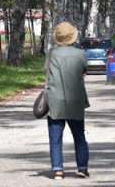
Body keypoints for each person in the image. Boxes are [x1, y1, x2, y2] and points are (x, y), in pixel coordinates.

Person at [46, 22, 90, 180]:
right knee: (79, 136)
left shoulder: (51, 54)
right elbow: (84, 71)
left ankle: (58, 170)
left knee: (55, 137)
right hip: (76, 101)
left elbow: (47, 72)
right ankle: (82, 168)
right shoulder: (81, 54)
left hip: (55, 101)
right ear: (73, 37)